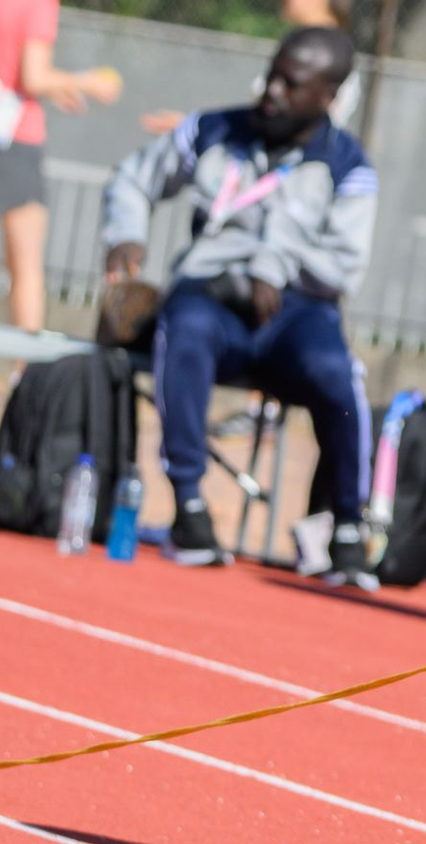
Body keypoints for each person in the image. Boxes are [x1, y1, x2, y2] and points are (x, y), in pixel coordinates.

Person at [101, 28, 377, 587]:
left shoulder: (348, 164)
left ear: (328, 96)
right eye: (271, 74)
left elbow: (345, 265)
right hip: (212, 296)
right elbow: (132, 178)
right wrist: (126, 232)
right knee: (186, 327)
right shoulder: (212, 129)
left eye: (291, 84)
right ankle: (189, 507)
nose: (271, 90)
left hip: (295, 313)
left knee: (336, 373)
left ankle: (348, 524)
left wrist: (272, 267)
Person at [0, 0, 121, 333]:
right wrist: (88, 81)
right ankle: (27, 376)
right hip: (16, 141)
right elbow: (33, 76)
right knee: (26, 268)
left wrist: (57, 89)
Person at [142, 0, 360, 137]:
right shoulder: (292, 48)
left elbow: (292, 131)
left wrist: (202, 130)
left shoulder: (337, 65)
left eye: (292, 84)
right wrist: (199, 128)